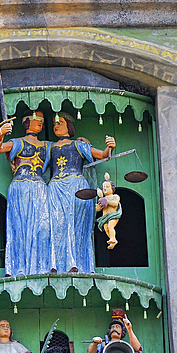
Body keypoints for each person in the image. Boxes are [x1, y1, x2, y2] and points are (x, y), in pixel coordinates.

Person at [46, 113, 115, 273]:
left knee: (76, 225)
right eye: (55, 123)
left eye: (60, 122)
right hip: (55, 188)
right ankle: (56, 264)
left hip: (76, 187)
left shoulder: (78, 145)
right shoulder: (50, 147)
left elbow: (102, 155)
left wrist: (110, 146)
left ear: (69, 126)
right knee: (57, 226)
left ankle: (78, 263)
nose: (56, 126)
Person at [0, 111, 50, 276]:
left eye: (41, 119)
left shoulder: (47, 145)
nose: (39, 122)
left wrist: (83, 142)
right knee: (19, 227)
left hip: (40, 187)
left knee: (43, 228)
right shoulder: (18, 142)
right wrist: (0, 134)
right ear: (26, 122)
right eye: (35, 119)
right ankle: (18, 268)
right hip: (20, 187)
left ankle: (40, 266)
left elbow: (67, 149)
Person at [95, 172, 121, 250]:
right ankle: (113, 240)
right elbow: (98, 209)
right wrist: (99, 206)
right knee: (106, 228)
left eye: (107, 187)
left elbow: (115, 204)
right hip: (105, 217)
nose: (105, 189)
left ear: (112, 188)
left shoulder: (115, 196)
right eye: (104, 188)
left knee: (110, 226)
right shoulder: (103, 198)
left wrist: (106, 201)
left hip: (113, 215)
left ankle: (113, 238)